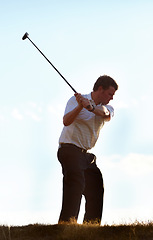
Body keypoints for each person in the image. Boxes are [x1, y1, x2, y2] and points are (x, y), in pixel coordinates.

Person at [57, 75, 118, 224]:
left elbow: (104, 113)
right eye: (110, 94)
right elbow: (66, 121)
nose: (111, 98)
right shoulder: (75, 101)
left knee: (96, 186)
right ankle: (66, 225)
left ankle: (91, 227)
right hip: (69, 149)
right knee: (76, 184)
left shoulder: (107, 107)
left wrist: (90, 107)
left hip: (86, 155)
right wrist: (80, 106)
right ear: (100, 89)